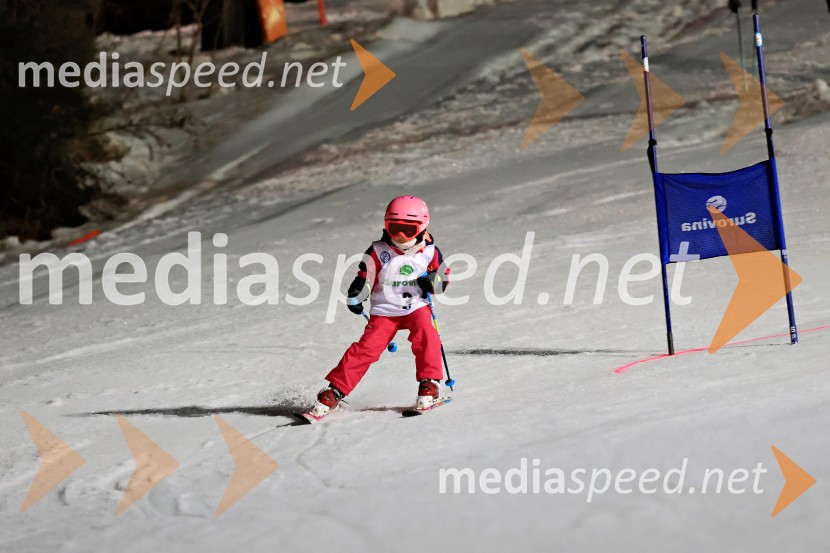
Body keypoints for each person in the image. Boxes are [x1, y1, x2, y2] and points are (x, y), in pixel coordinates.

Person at [309, 195, 450, 418]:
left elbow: (443, 279)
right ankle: (335, 390)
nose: (400, 236)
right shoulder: (378, 251)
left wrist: (433, 281)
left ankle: (429, 383)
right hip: (385, 310)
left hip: (416, 306)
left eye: (408, 229)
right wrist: (357, 294)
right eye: (394, 228)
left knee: (427, 335)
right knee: (366, 348)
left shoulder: (431, 252)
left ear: (422, 227)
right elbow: (365, 277)